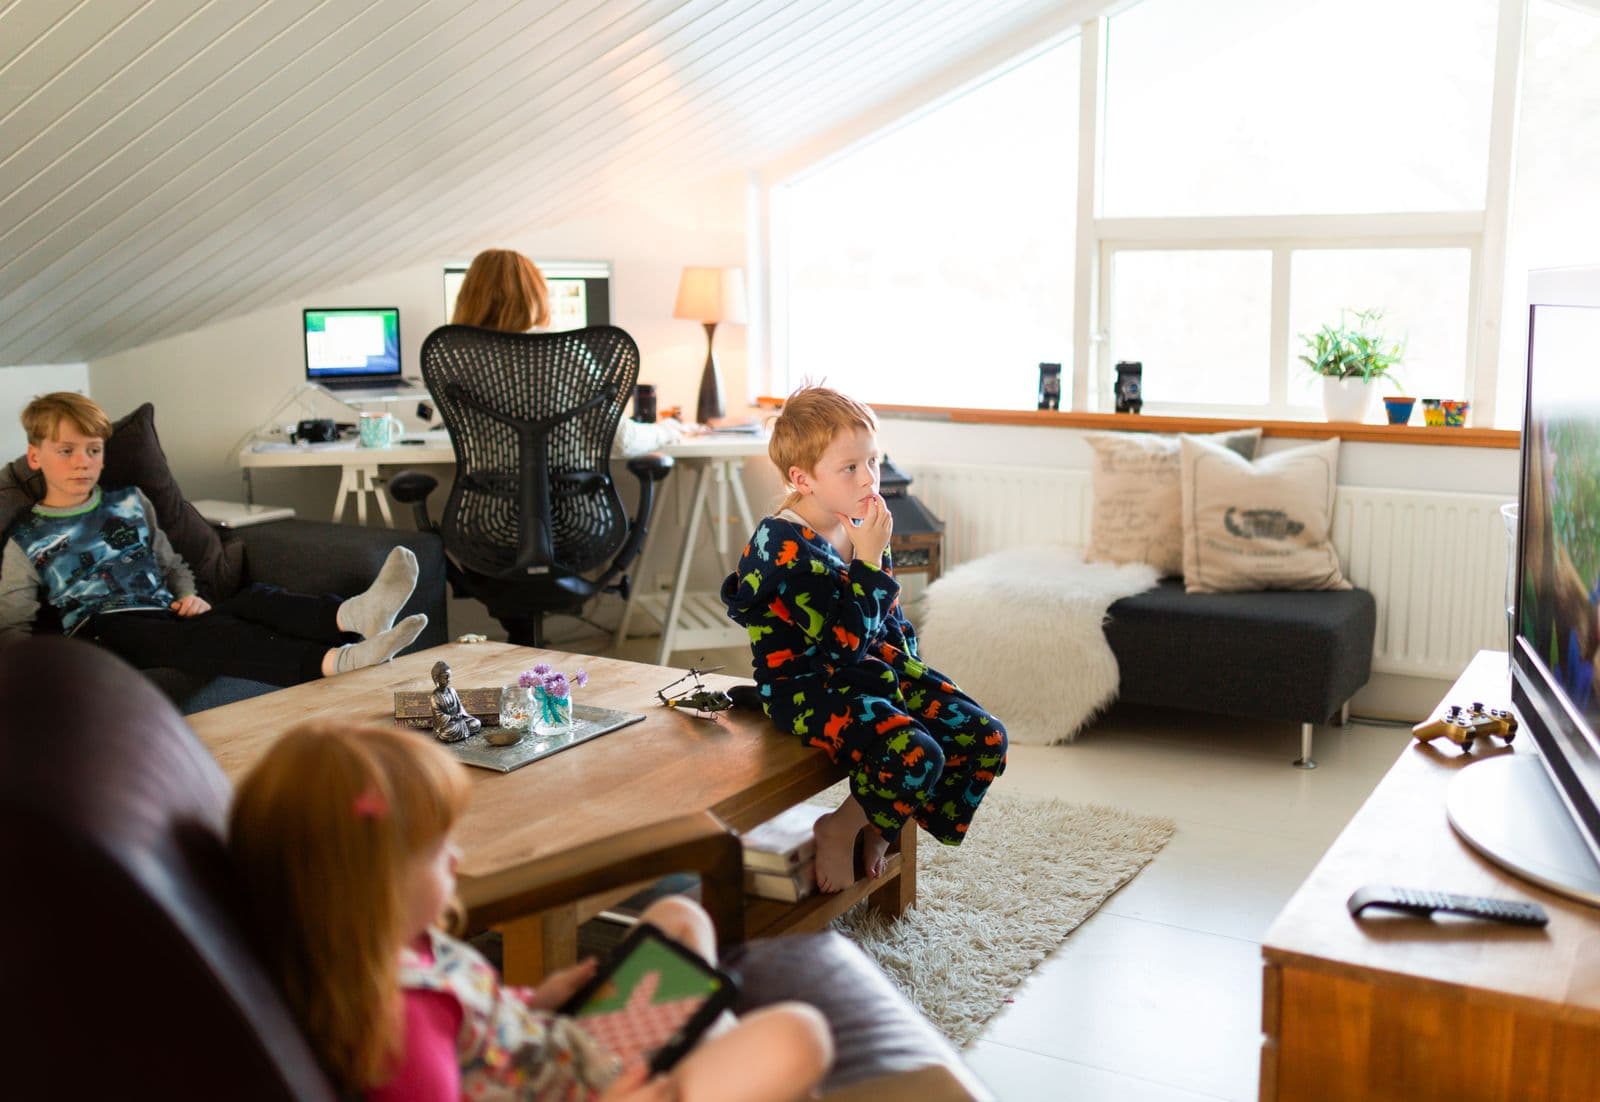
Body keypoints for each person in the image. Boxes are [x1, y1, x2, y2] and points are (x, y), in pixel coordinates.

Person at [227, 721, 834, 1101]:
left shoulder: (403, 943)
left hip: (559, 1051)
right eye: (439, 854)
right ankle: (701, 1062)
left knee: (681, 918)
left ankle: (700, 1044)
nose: (458, 860)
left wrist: (534, 1000)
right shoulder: (398, 1026)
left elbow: (479, 1018)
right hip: (579, 1090)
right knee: (796, 1036)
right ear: (372, 885)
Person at [720, 386, 1008, 893]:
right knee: (919, 755)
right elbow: (837, 651)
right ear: (802, 478)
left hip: (872, 668)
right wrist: (868, 560)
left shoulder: (859, 524)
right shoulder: (781, 547)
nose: (868, 478)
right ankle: (843, 825)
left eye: (871, 461)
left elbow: (892, 619)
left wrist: (915, 676)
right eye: (849, 467)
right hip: (813, 688)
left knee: (985, 737)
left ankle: (882, 821)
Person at [0, 392, 427, 683]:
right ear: (36, 457)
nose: (83, 463)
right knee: (213, 635)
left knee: (252, 599)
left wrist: (187, 593)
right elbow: (12, 624)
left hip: (162, 610)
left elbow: (170, 565)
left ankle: (354, 616)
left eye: (93, 450)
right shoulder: (28, 536)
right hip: (102, 630)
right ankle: (340, 661)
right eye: (66, 451)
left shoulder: (129, 503)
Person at [450, 248, 688, 457]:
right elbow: (621, 441)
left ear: (467, 299)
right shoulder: (566, 353)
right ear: (536, 297)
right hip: (572, 506)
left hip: (487, 507)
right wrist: (665, 430)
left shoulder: (454, 359)